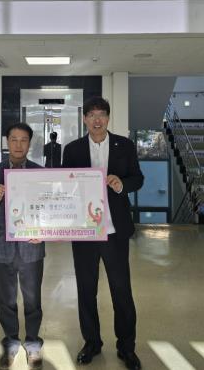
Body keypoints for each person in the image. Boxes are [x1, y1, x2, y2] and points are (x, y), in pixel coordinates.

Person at [62, 97, 144, 370]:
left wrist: (121, 184)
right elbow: (64, 185)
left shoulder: (125, 145)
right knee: (86, 290)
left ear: (108, 118)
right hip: (84, 230)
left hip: (114, 230)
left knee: (121, 291)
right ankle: (92, 343)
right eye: (92, 115)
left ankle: (126, 347)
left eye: (102, 115)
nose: (97, 120)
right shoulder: (72, 149)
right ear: (84, 119)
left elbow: (138, 178)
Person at [0, 122, 45, 370]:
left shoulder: (39, 172)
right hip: (2, 247)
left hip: (31, 246)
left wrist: (44, 231)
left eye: (23, 140)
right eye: (14, 139)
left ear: (29, 143)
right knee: (5, 300)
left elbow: (49, 209)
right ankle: (11, 342)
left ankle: (33, 343)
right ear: (7, 142)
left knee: (33, 300)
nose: (18, 145)